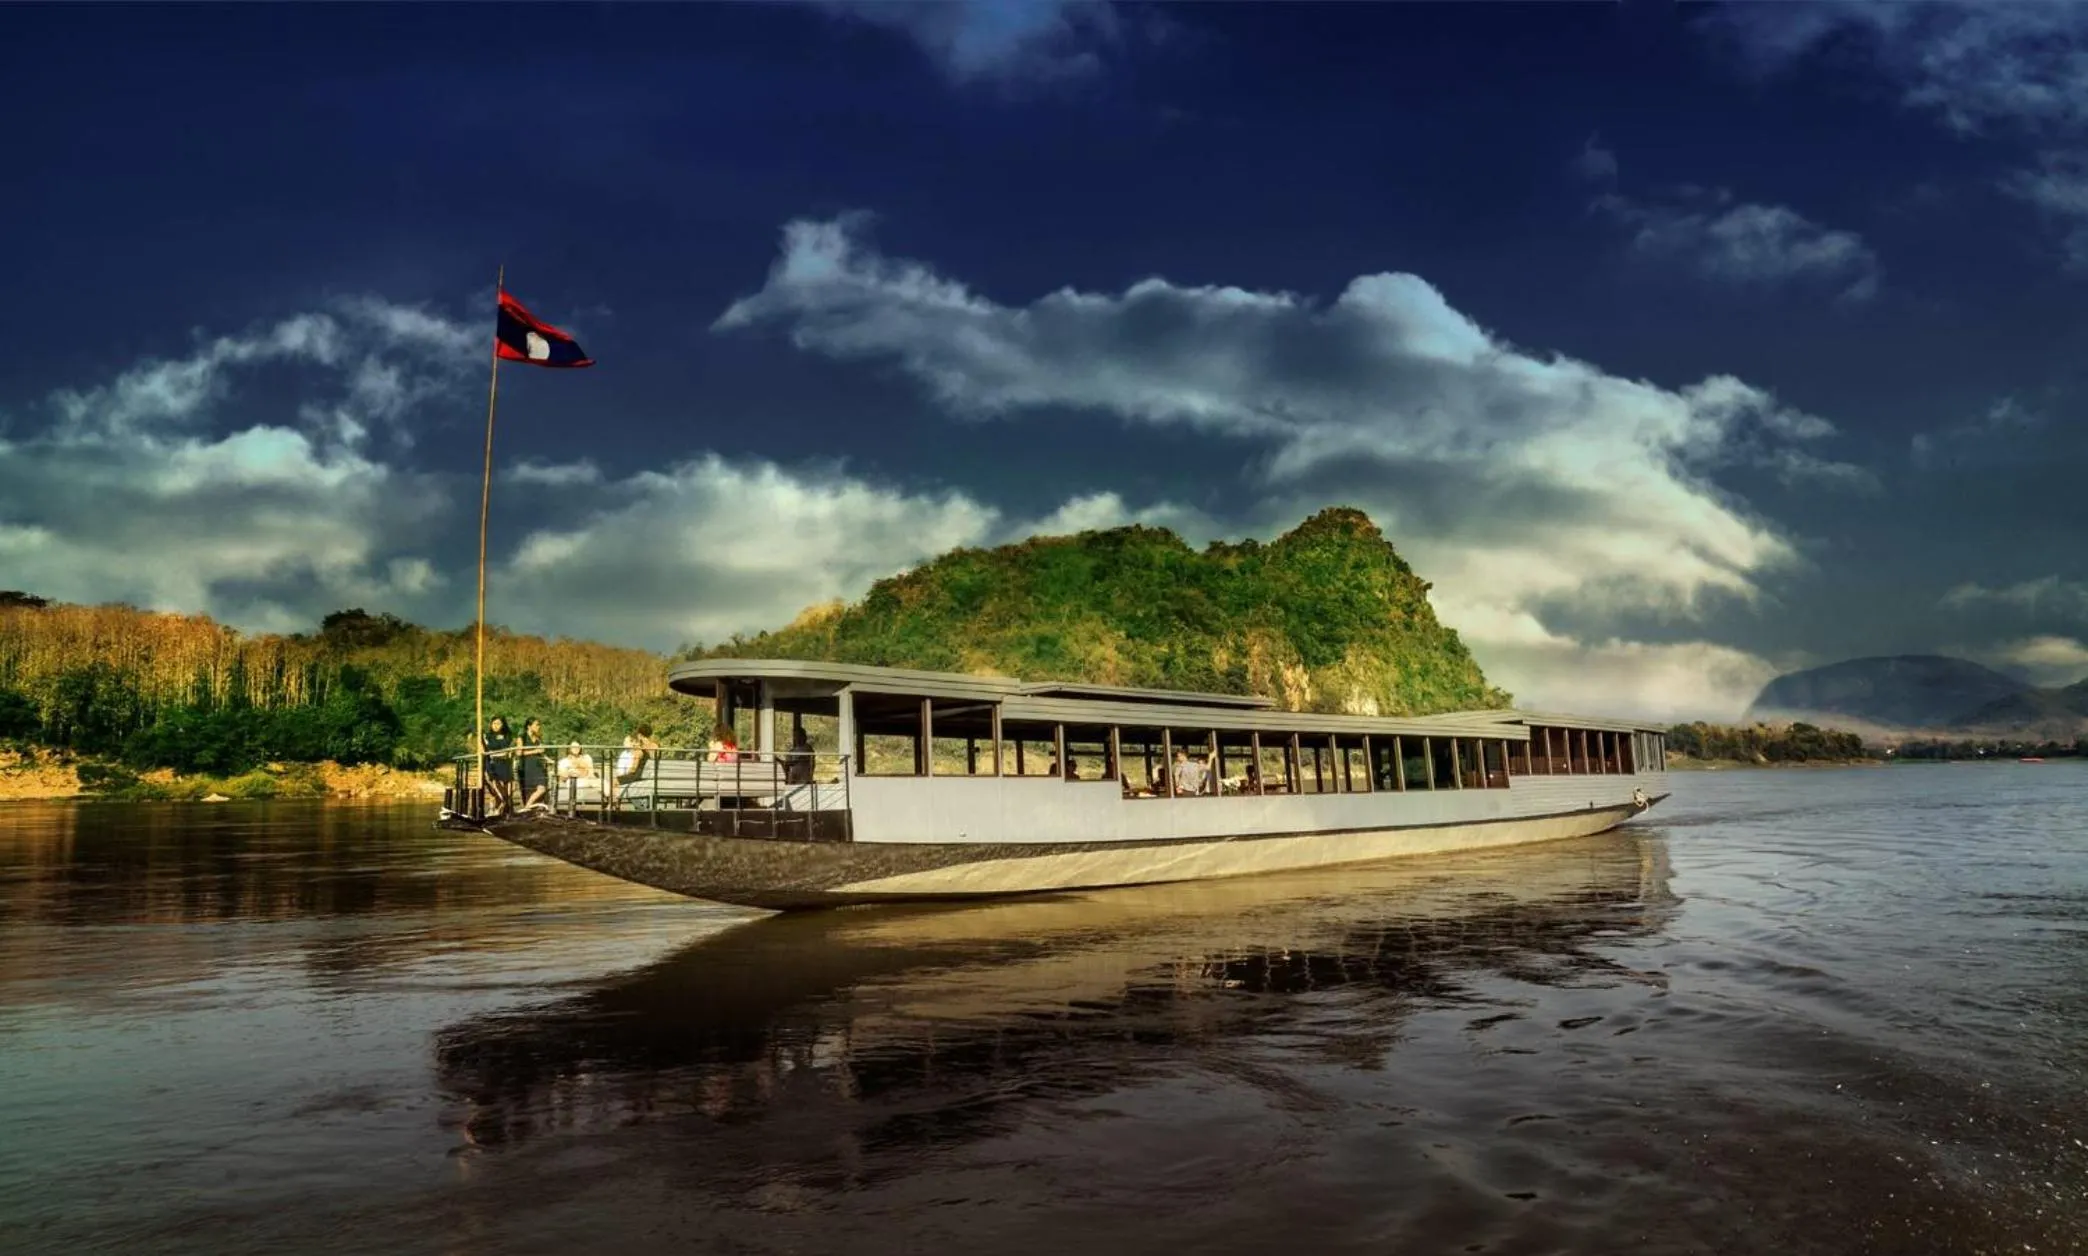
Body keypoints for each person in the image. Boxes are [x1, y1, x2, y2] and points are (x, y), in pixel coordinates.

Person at [481, 716, 514, 816]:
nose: (496, 726)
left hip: (505, 764)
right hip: (492, 764)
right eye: (494, 723)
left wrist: (503, 753)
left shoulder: (507, 736)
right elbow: (486, 751)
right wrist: (498, 753)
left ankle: (504, 811)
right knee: (496, 789)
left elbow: (508, 751)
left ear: (503, 725)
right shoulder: (487, 736)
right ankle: (496, 810)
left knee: (508, 790)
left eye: (498, 723)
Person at [516, 716, 549, 811]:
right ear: (529, 726)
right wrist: (535, 751)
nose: (539, 727)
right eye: (536, 725)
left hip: (538, 765)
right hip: (528, 765)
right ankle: (527, 807)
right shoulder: (522, 737)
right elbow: (519, 753)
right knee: (534, 790)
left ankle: (527, 807)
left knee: (542, 788)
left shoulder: (538, 738)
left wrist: (547, 759)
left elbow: (541, 752)